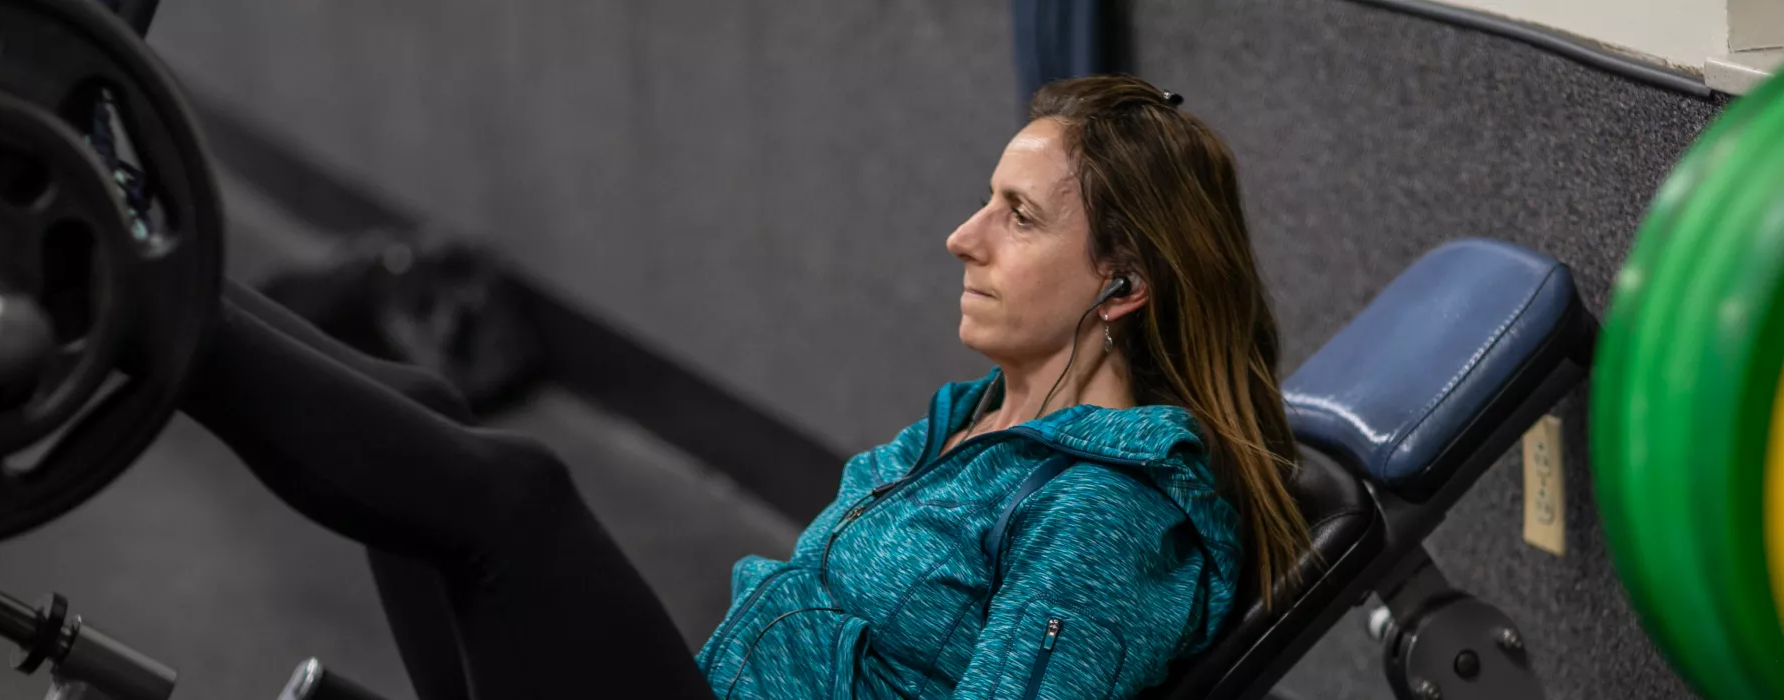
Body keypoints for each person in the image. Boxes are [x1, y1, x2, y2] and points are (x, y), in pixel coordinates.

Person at [176, 74, 1309, 699]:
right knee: (426, 412)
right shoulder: (978, 422)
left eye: (1018, 217)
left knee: (517, 504)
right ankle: (166, 273)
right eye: (985, 201)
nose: (963, 237)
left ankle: (159, 318)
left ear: (1124, 284)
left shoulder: (1104, 515)